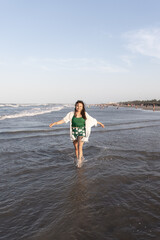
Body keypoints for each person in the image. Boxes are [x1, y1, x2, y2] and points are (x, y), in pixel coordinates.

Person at [49, 100, 105, 168]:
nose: (79, 107)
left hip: (82, 131)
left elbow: (92, 120)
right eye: (77, 106)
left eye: (80, 106)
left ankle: (79, 162)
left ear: (83, 107)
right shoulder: (71, 114)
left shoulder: (84, 114)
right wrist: (55, 123)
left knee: (79, 146)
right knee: (76, 148)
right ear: (75, 106)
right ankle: (79, 157)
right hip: (74, 132)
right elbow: (64, 120)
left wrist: (100, 123)